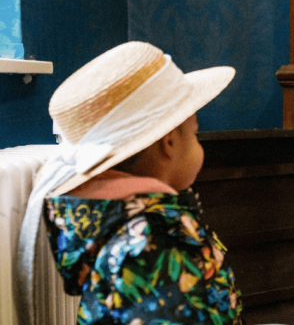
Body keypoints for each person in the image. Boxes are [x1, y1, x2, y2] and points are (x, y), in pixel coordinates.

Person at [16, 41, 242, 324]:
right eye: (195, 132)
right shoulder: (153, 243)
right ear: (168, 141)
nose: (198, 140)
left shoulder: (117, 224)